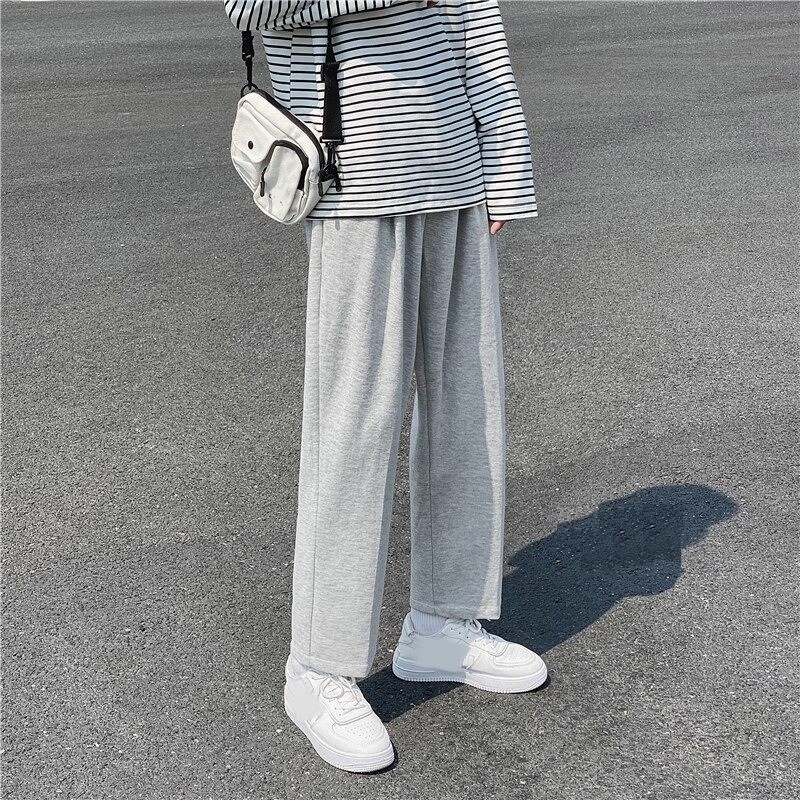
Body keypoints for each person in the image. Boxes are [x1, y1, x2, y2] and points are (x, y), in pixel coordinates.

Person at [224, 0, 547, 773]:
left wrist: (505, 166)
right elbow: (250, 6)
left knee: (469, 412)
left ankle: (443, 622)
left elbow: (477, 27)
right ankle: (318, 667)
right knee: (353, 431)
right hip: (355, 184)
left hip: (457, 178)